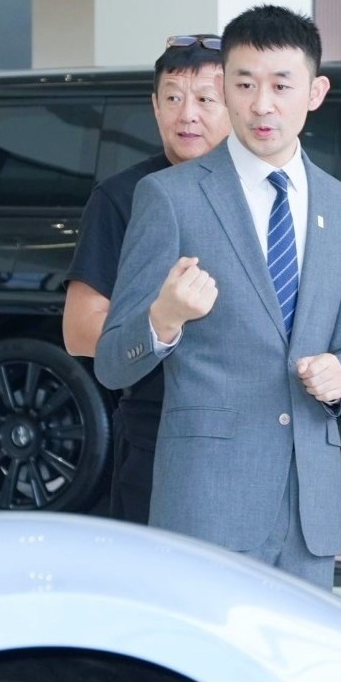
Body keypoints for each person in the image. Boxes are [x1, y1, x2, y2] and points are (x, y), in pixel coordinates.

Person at [92, 5, 341, 586]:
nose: (261, 104)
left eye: (281, 86)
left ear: (315, 92)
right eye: (244, 85)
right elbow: (111, 362)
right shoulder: (170, 197)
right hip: (207, 504)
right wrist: (164, 319)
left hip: (309, 511)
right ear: (225, 87)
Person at [64, 38, 229, 522]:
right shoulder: (122, 197)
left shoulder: (263, 193)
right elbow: (79, 330)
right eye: (173, 98)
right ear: (155, 106)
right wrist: (161, 324)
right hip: (157, 432)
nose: (187, 115)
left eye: (206, 99)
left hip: (251, 437)